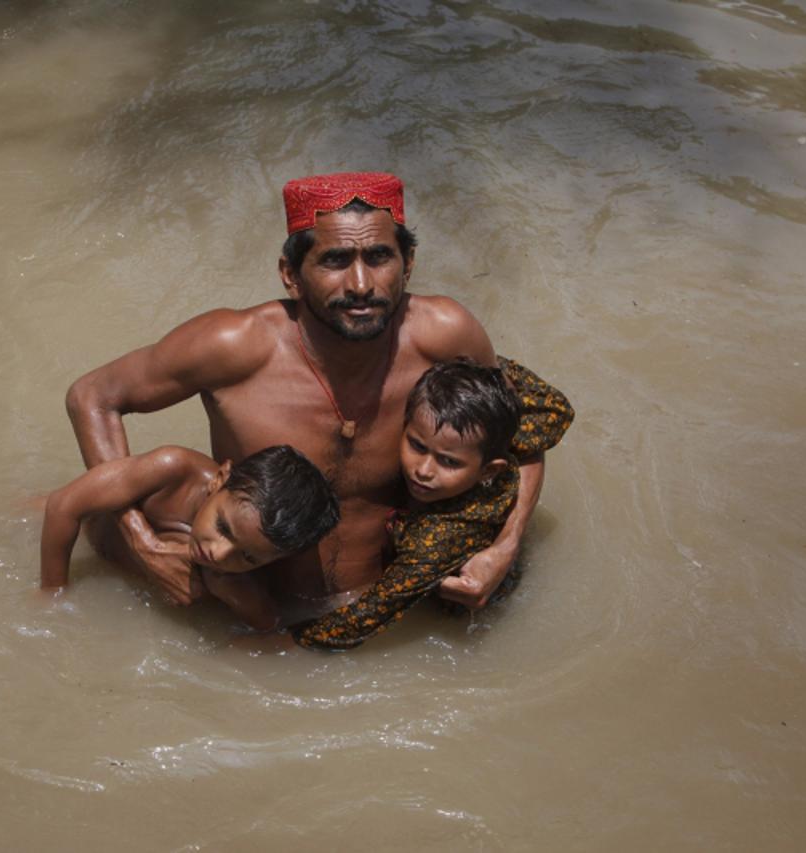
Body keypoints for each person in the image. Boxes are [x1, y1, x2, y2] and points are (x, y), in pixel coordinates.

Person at [66, 171, 572, 616]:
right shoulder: (236, 347)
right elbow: (93, 396)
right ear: (291, 275)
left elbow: (520, 437)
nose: (359, 283)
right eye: (334, 260)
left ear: (408, 262)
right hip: (248, 601)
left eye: (378, 257)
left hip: (384, 604)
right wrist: (143, 543)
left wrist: (503, 551)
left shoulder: (444, 334)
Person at [294, 358, 570, 649]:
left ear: (489, 471)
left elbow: (369, 614)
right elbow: (554, 407)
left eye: (448, 462)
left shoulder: (439, 539)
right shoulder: (487, 433)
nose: (423, 470)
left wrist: (289, 642)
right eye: (417, 445)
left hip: (463, 599)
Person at [40, 444, 339, 630]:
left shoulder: (231, 579)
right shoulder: (173, 472)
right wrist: (52, 595)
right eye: (223, 527)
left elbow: (265, 625)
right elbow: (62, 507)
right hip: (75, 533)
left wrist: (231, 594)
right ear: (220, 479)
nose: (220, 554)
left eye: (247, 557)